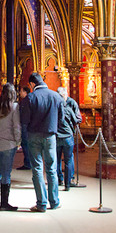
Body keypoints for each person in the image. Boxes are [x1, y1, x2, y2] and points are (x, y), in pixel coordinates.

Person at [20, 72, 64, 213]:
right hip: (50, 136)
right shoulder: (56, 96)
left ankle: (41, 204)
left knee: (37, 169)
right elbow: (61, 119)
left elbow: (24, 120)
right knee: (52, 169)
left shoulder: (30, 98)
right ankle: (55, 201)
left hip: (34, 136)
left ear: (32, 84)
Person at [0, 83, 20, 211]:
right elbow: (16, 126)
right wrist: (18, 141)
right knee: (6, 172)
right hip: (8, 143)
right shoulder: (14, 107)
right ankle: (4, 203)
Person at [56, 86, 82, 190]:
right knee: (66, 160)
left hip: (59, 136)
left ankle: (66, 180)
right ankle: (64, 182)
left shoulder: (70, 104)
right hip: (67, 136)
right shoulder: (67, 109)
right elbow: (76, 120)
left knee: (60, 159)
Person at [16, 85, 32, 170]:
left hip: (25, 124)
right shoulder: (29, 100)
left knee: (26, 144)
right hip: (27, 124)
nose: (20, 93)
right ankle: (28, 162)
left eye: (21, 91)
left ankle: (28, 163)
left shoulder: (25, 101)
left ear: (25, 92)